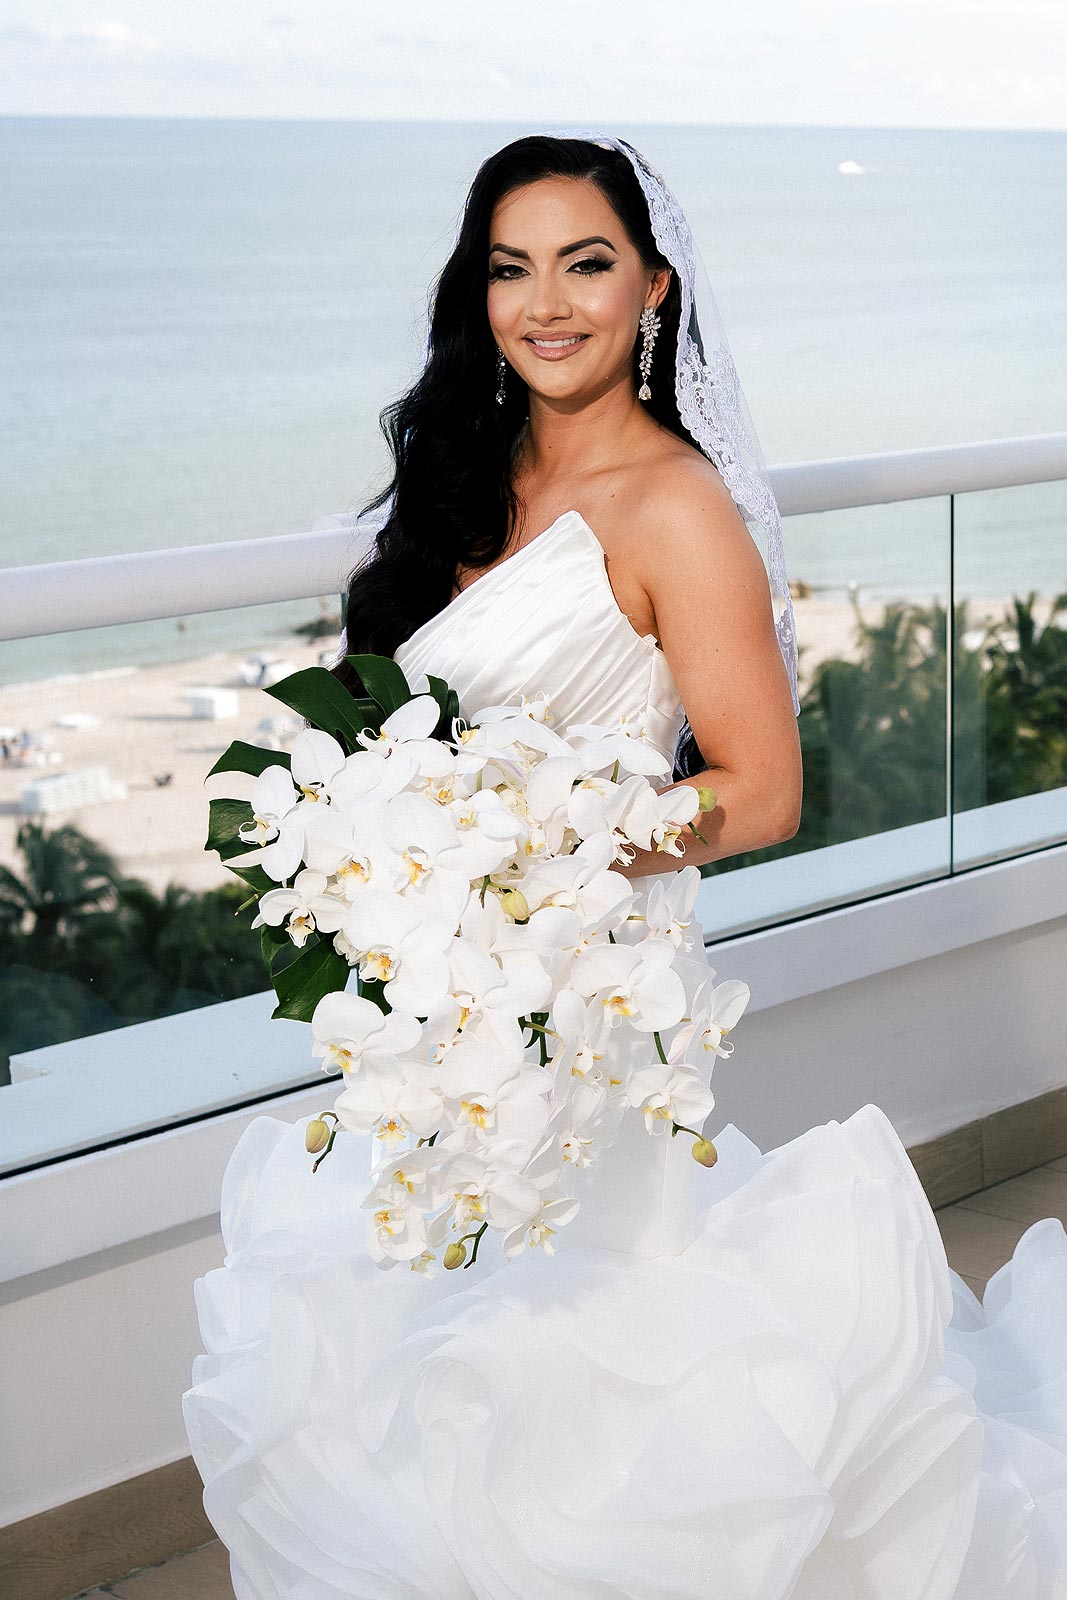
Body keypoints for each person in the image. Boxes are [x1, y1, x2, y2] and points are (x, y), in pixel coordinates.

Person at [183, 133, 1067, 1597]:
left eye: (585, 264)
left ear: (652, 288)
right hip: (450, 996)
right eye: (510, 268)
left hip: (595, 989)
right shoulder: (466, 477)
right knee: (426, 1337)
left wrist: (527, 845)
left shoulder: (676, 506)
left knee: (592, 1353)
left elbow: (762, 791)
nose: (546, 303)